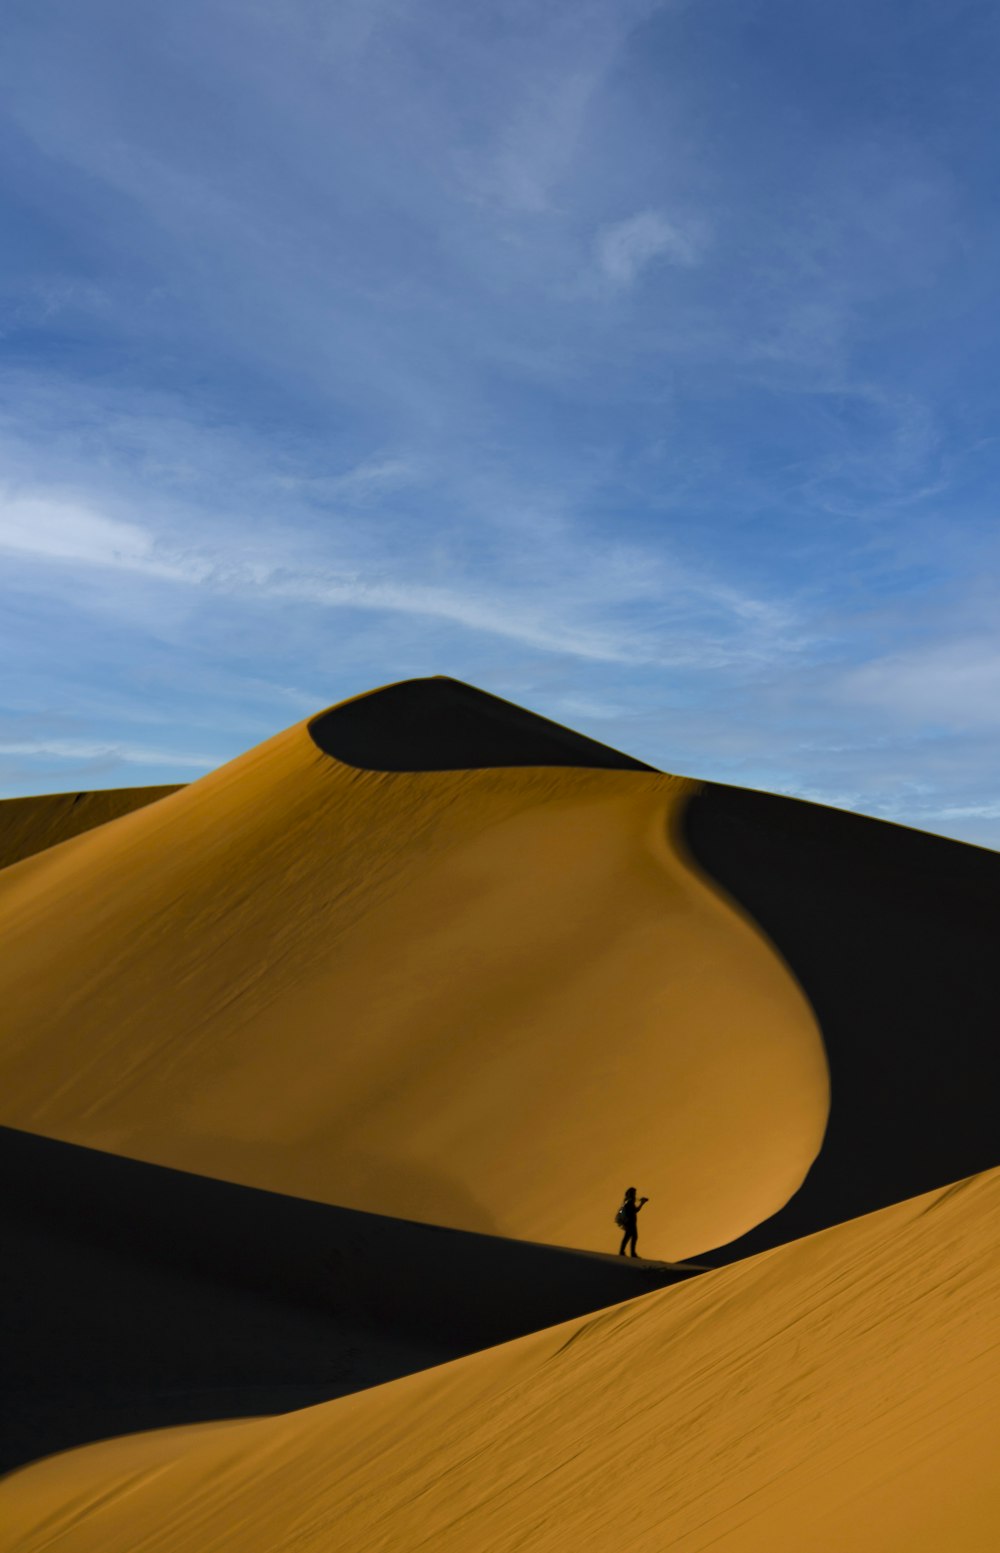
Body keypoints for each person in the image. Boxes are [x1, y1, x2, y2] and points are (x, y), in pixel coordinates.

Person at [617, 1186, 649, 1258]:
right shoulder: (630, 1202)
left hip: (630, 1222)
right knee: (632, 1237)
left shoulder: (628, 1201)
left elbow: (634, 1210)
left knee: (629, 1237)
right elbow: (635, 1210)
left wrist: (642, 1203)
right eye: (634, 1193)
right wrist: (642, 1203)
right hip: (630, 1223)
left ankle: (624, 1252)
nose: (635, 1194)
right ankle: (631, 1253)